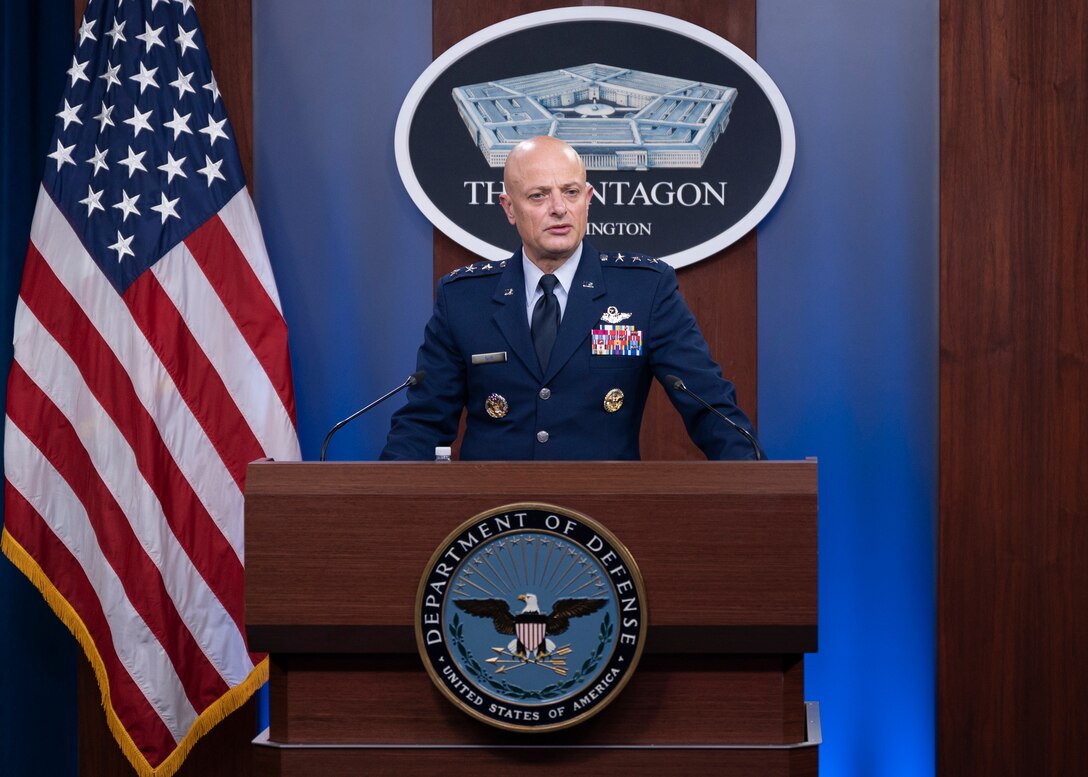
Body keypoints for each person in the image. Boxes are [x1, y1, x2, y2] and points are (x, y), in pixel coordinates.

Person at [380, 135, 759, 461]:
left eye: (571, 192)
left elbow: (709, 406)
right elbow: (423, 423)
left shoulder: (644, 289)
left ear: (588, 198)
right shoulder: (463, 298)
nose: (559, 208)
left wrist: (757, 484)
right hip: (494, 523)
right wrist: (384, 499)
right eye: (538, 195)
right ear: (509, 208)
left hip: (605, 520)